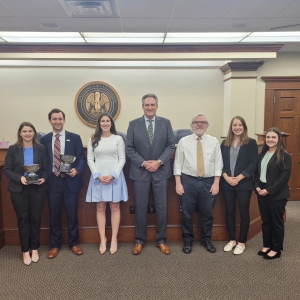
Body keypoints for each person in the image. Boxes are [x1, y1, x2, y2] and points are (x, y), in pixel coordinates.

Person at [126, 93, 175, 255]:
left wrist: (158, 162)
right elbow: (129, 148)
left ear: (157, 106)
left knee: (162, 208)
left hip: (161, 172)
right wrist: (144, 163)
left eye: (152, 105)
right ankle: (139, 241)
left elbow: (170, 146)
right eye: (147, 105)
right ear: (142, 107)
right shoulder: (133, 124)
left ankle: (161, 240)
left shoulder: (166, 123)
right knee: (140, 208)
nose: (150, 107)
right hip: (141, 172)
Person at [174, 113, 223, 254]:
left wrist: (216, 183)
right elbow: (177, 163)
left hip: (208, 182)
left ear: (207, 126)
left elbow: (218, 164)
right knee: (187, 214)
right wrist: (178, 183)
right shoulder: (184, 141)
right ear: (192, 126)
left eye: (202, 122)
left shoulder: (214, 141)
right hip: (188, 181)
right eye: (196, 122)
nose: (199, 124)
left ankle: (206, 239)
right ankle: (188, 240)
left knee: (207, 213)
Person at [41, 108, 86, 259]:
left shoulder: (74, 138)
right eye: (54, 119)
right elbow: (42, 161)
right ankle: (55, 245)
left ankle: (74, 243)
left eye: (60, 119)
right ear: (50, 121)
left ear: (64, 120)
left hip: (71, 181)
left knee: (72, 213)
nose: (57, 122)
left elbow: (81, 159)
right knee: (54, 214)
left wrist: (76, 170)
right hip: (52, 181)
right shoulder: (44, 140)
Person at [3, 122, 47, 265]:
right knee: (23, 219)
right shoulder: (13, 149)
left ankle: (34, 248)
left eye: (30, 131)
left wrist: (44, 178)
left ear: (34, 133)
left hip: (37, 189)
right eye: (24, 131)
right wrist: (19, 178)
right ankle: (25, 251)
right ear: (20, 133)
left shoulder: (41, 148)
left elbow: (46, 169)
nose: (27, 134)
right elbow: (7, 170)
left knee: (35, 219)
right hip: (19, 190)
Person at [86, 113, 128, 254]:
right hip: (98, 177)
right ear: (99, 123)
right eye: (102, 121)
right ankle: (103, 239)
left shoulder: (118, 139)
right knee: (100, 207)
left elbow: (122, 159)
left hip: (114, 176)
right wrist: (97, 175)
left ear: (111, 123)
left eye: (107, 121)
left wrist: (113, 175)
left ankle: (114, 239)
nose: (105, 123)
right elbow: (90, 159)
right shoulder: (93, 139)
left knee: (115, 207)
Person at [220, 116, 258, 255]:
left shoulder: (251, 143)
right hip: (227, 183)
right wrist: (226, 177)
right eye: (235, 125)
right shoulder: (225, 143)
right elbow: (219, 162)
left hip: (244, 184)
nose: (237, 127)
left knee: (243, 213)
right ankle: (232, 240)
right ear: (231, 127)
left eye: (240, 125)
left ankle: (241, 242)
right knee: (229, 212)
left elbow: (253, 163)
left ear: (244, 127)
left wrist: (239, 178)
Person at [254, 127, 292, 260]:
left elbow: (284, 178)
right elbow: (257, 173)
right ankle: (267, 245)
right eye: (268, 137)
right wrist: (257, 187)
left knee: (276, 222)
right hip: (261, 192)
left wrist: (269, 190)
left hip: (276, 194)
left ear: (279, 139)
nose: (270, 140)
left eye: (273, 137)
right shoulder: (262, 154)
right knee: (266, 221)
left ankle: (276, 248)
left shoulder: (285, 156)